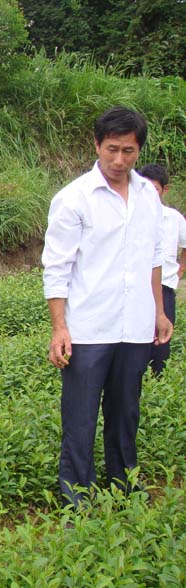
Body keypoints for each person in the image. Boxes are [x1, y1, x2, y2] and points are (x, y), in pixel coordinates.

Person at [42, 106, 172, 508]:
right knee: (80, 420)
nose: (119, 160)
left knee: (125, 415)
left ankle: (124, 487)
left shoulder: (149, 195)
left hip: (133, 326)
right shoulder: (74, 198)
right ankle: (77, 497)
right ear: (96, 145)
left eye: (129, 151)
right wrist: (59, 327)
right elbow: (56, 267)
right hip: (88, 328)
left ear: (138, 151)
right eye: (112, 149)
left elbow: (153, 257)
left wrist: (159, 311)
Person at [137, 163, 186, 376]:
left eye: (154, 189)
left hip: (164, 285)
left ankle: (158, 379)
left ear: (164, 190)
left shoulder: (173, 218)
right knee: (138, 337)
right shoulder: (133, 215)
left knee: (162, 336)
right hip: (138, 286)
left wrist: (180, 269)